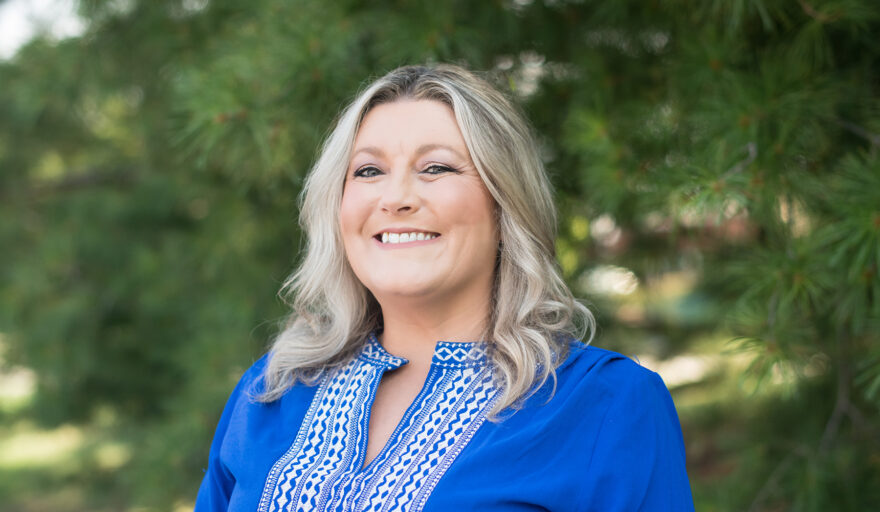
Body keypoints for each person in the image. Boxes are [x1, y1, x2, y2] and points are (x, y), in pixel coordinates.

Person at [195, 64, 695, 511]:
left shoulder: (608, 404)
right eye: (368, 171)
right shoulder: (271, 392)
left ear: (504, 204)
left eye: (436, 167)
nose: (396, 197)